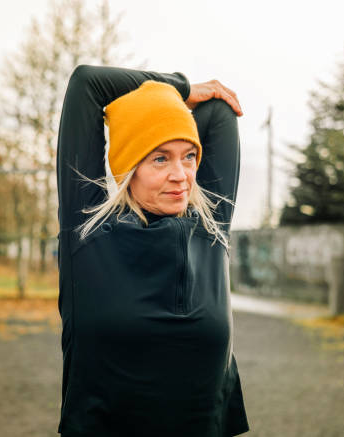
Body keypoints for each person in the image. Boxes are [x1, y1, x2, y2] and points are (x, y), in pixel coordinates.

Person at [55, 64, 249, 437]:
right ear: (130, 168)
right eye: (160, 158)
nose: (181, 175)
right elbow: (87, 83)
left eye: (189, 156)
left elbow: (219, 111)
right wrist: (181, 87)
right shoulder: (88, 235)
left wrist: (170, 109)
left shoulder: (211, 232)